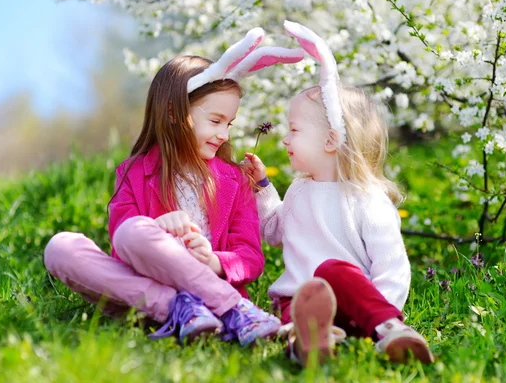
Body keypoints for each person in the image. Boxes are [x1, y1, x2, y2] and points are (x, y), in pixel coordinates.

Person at [43, 28, 305, 346]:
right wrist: (156, 228)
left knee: (131, 231)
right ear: (173, 112)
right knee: (64, 247)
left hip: (212, 290)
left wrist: (214, 262)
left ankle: (233, 308)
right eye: (215, 120)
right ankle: (180, 308)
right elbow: (122, 247)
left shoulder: (234, 180)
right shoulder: (133, 173)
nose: (224, 134)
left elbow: (250, 256)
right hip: (153, 293)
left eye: (229, 124)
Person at [242, 21, 435, 364]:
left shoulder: (367, 198)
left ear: (331, 141)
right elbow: (273, 232)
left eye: (295, 130)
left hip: (355, 307)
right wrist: (262, 188)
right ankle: (311, 341)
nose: (285, 139)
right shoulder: (300, 190)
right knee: (301, 300)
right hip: (296, 301)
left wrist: (382, 314)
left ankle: (391, 332)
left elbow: (392, 267)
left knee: (333, 270)